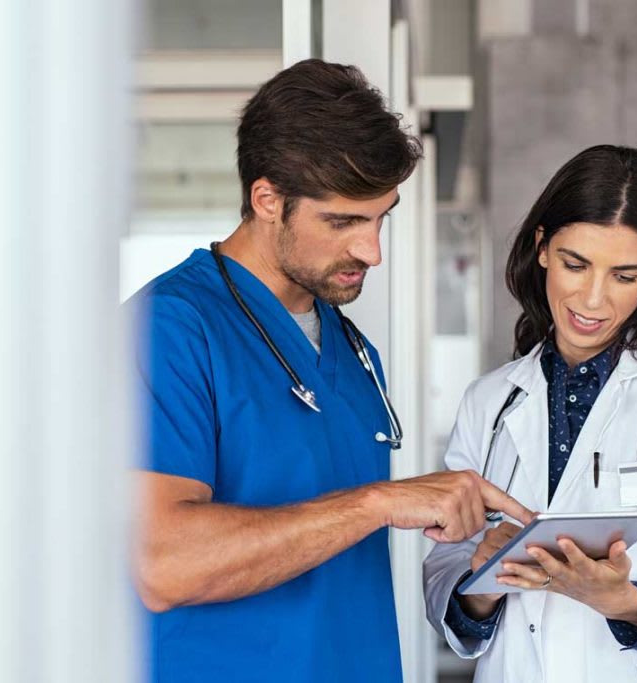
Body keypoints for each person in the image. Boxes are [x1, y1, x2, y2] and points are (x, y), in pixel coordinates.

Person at [129, 59, 531, 683]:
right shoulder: (168, 330)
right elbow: (162, 563)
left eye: (380, 218)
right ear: (267, 199)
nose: (371, 250)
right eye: (343, 221)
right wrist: (376, 503)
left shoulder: (352, 348)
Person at [423, 145, 637, 683]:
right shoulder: (490, 401)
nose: (592, 299)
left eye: (624, 275)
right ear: (542, 248)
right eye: (575, 264)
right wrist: (481, 584)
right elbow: (443, 573)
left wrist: (627, 602)